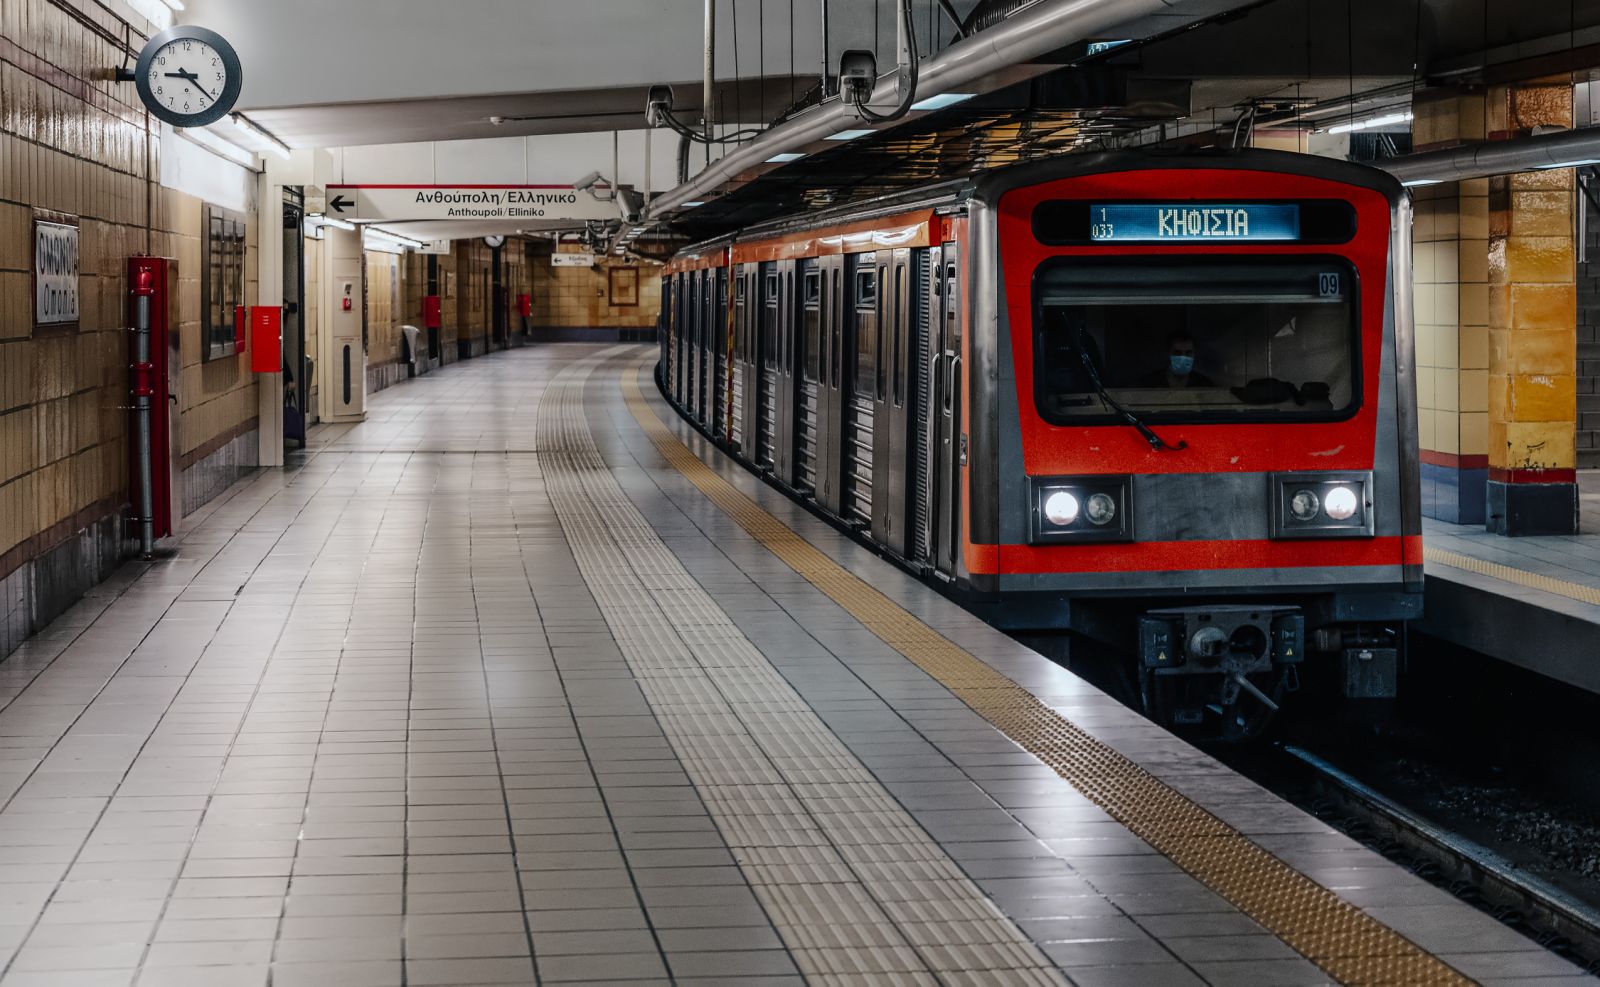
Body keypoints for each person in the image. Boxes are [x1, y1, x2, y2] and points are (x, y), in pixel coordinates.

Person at [1139, 330, 1214, 388]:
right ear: (1168, 353)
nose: (1183, 357)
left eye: (1188, 352)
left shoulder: (1203, 384)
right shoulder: (1150, 383)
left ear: (1194, 354)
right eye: (1177, 352)